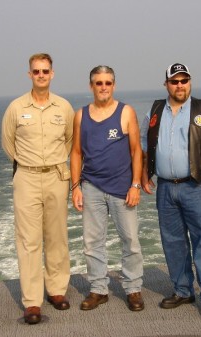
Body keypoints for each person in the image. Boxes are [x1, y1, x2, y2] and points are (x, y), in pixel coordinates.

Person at [140, 63, 201, 319]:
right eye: (175, 81)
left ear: (190, 82)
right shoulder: (155, 110)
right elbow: (145, 145)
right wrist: (145, 175)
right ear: (166, 84)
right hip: (166, 189)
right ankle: (182, 290)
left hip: (197, 187)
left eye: (184, 80)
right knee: (173, 242)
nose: (180, 85)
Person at [1, 53, 74, 324]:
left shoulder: (63, 107)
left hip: (57, 175)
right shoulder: (16, 108)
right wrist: (29, 165)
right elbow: (9, 144)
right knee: (28, 241)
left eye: (45, 71)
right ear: (29, 74)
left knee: (57, 236)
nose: (41, 75)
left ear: (52, 74)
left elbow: (69, 141)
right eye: (36, 71)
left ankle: (56, 290)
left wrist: (53, 165)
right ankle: (32, 302)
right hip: (27, 178)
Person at [70, 65, 144, 312]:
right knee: (92, 243)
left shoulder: (126, 112)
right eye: (98, 83)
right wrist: (75, 187)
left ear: (114, 85)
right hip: (91, 186)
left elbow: (136, 151)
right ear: (91, 86)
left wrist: (135, 185)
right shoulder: (81, 115)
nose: (103, 87)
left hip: (122, 188)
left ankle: (133, 289)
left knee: (131, 240)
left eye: (108, 83)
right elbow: (76, 153)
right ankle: (98, 290)